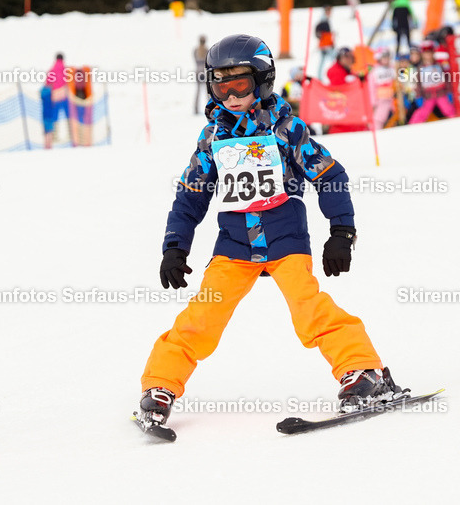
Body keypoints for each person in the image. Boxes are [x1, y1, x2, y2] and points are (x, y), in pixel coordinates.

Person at [135, 34, 403, 434]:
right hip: (234, 246)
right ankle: (160, 387)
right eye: (219, 84)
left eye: (239, 83)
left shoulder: (286, 130)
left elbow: (330, 175)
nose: (230, 94)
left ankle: (362, 371)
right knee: (203, 315)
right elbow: (191, 194)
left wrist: (341, 231)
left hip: (285, 239)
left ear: (261, 80)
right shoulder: (213, 139)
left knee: (307, 305)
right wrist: (175, 247)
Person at [409, 42, 455, 124]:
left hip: (441, 93)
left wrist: (449, 92)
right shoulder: (420, 68)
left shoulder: (439, 65)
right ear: (422, 55)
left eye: (429, 52)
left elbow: (447, 79)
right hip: (428, 96)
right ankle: (413, 125)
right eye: (425, 53)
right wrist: (419, 96)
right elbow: (418, 84)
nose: (428, 55)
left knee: (448, 109)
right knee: (422, 112)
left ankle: (457, 120)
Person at [43, 53, 69, 147]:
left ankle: (54, 137)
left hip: (55, 96)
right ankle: (71, 136)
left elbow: (47, 83)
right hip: (65, 96)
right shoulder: (66, 70)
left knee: (54, 118)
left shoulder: (52, 70)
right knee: (69, 117)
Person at [370, 50, 396, 129]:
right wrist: (373, 102)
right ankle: (376, 131)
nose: (386, 59)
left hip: (393, 98)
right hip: (382, 99)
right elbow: (371, 88)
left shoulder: (393, 68)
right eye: (384, 57)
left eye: (387, 57)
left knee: (395, 117)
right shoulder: (375, 71)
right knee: (378, 118)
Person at [314, 6, 335, 78]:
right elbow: (319, 32)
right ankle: (334, 74)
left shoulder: (325, 20)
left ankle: (319, 76)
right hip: (326, 45)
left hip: (325, 44)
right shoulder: (324, 21)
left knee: (322, 62)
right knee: (334, 60)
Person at [192, 35, 208, 114]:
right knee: (207, 91)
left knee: (198, 91)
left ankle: (196, 108)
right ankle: (209, 107)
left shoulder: (195, 50)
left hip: (198, 71)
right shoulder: (206, 50)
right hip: (204, 72)